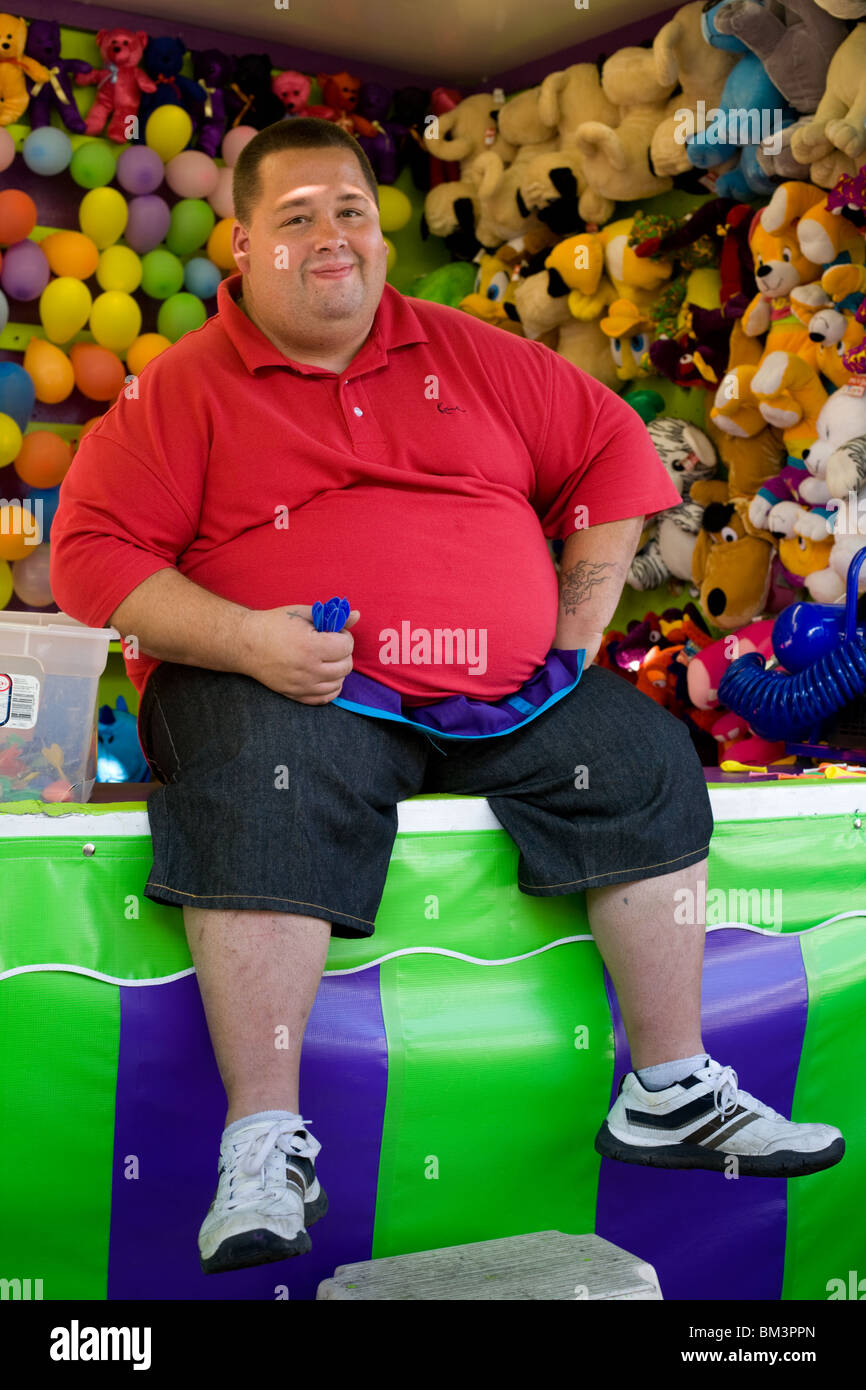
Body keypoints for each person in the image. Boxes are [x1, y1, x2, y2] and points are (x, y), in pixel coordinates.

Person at [49, 118, 844, 1277]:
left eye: (352, 211)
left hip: (496, 697)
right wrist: (248, 640)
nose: (333, 237)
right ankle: (263, 1140)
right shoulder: (181, 389)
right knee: (269, 777)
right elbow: (91, 557)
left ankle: (668, 1091)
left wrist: (574, 630)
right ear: (239, 244)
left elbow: (612, 454)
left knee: (638, 755)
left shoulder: (467, 350)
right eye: (298, 217)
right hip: (283, 684)